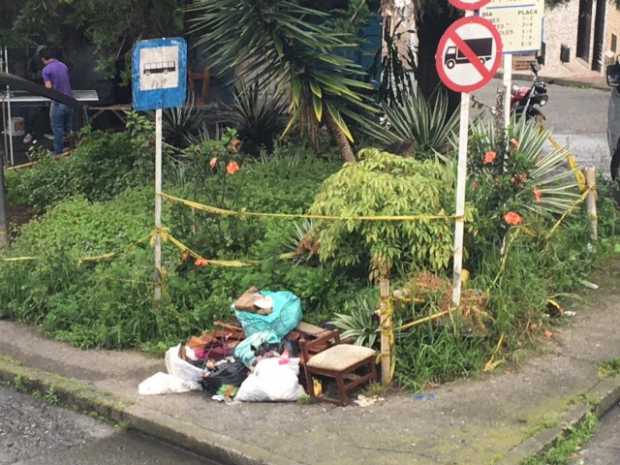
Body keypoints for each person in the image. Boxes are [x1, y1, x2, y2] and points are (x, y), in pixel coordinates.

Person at [40, 48, 73, 155]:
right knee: (69, 127)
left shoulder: (46, 70)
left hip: (58, 103)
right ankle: (72, 148)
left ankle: (58, 152)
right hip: (69, 101)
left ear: (43, 59)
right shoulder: (63, 65)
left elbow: (48, 87)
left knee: (57, 128)